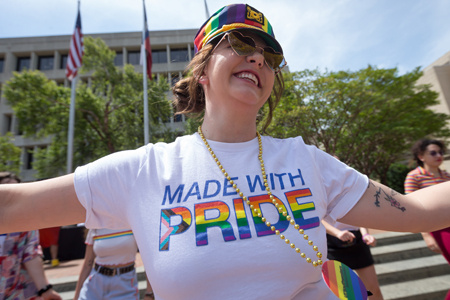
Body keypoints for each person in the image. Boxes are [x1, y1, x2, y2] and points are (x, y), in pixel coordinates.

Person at [2, 4, 450, 299]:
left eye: (268, 55)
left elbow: (416, 210)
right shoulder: (140, 172)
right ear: (200, 71)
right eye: (239, 44)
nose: (257, 58)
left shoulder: (306, 160)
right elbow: (12, 206)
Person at [0, 172, 62, 300]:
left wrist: (45, 289)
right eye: (7, 191)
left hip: (15, 293)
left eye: (16, 192)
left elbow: (31, 254)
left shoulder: (24, 223)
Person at [404, 138, 450, 300]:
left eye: (441, 152)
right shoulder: (414, 176)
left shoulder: (447, 175)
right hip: (438, 229)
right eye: (433, 152)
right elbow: (412, 208)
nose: (438, 155)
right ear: (421, 156)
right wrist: (427, 235)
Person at [73, 228, 153, 300]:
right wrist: (76, 298)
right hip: (95, 284)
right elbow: (87, 265)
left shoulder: (132, 222)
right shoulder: (95, 226)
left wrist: (149, 293)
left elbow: (148, 261)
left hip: (124, 285)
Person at [322, 220, 383, 299]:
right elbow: (318, 218)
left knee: (373, 289)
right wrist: (337, 233)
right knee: (343, 294)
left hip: (357, 240)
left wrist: (365, 234)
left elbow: (359, 216)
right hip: (331, 242)